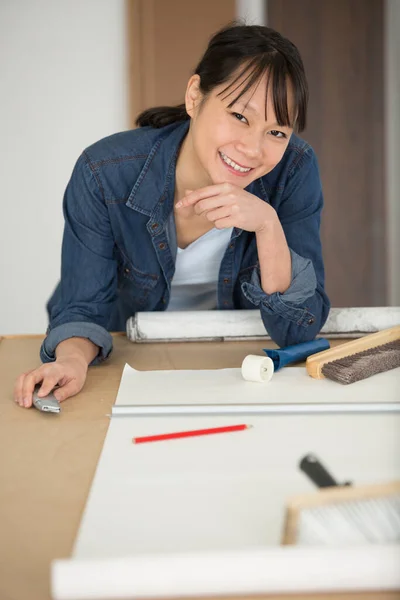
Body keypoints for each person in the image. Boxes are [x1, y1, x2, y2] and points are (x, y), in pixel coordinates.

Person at [14, 22, 330, 409]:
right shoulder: (104, 172)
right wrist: (72, 362)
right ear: (195, 97)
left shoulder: (294, 171)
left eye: (277, 132)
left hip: (233, 370)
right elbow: (83, 308)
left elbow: (300, 329)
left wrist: (267, 225)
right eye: (240, 116)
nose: (252, 149)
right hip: (127, 365)